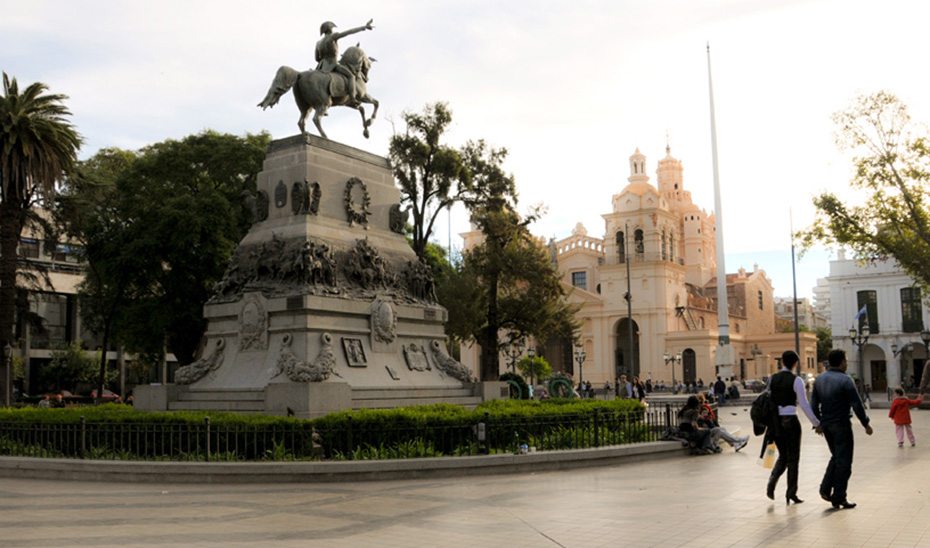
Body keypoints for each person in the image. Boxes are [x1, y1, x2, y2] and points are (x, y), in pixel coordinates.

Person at [810, 349, 873, 509]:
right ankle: (839, 497)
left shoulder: (819, 379)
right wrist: (865, 423)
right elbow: (856, 404)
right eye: (846, 360)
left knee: (836, 456)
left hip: (827, 424)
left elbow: (814, 404)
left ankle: (825, 489)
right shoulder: (845, 380)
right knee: (844, 462)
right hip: (841, 423)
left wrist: (818, 423)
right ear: (842, 362)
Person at [766, 351, 821, 505]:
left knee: (783, 455)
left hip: (776, 422)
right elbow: (803, 404)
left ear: (781, 361)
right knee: (793, 459)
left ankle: (772, 480)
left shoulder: (772, 379)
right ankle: (791, 493)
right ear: (796, 363)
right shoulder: (796, 380)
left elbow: (767, 397)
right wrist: (816, 423)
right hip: (791, 421)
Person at [314, 19, 374, 106]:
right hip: (332, 65)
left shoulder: (318, 43)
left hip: (321, 67)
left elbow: (316, 58)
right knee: (351, 76)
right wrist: (363, 27)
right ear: (330, 29)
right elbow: (348, 32)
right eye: (332, 28)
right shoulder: (332, 37)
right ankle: (353, 98)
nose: (333, 30)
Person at [677, 395, 748, 453]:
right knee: (718, 430)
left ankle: (736, 443)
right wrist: (702, 428)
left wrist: (706, 419)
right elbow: (694, 425)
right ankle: (736, 441)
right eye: (699, 402)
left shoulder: (685, 410)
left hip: (683, 432)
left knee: (722, 429)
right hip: (691, 433)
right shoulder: (694, 411)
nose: (701, 404)